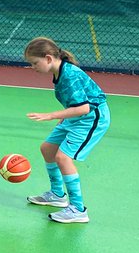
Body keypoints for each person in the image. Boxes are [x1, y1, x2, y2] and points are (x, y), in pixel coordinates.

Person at [23, 37, 110, 224]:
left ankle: (78, 209)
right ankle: (57, 194)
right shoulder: (58, 73)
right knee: (48, 148)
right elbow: (73, 102)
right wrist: (63, 118)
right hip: (75, 116)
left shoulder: (69, 75)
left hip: (92, 118)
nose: (33, 67)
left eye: (34, 63)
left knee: (63, 157)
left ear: (48, 58)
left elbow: (84, 107)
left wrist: (51, 115)